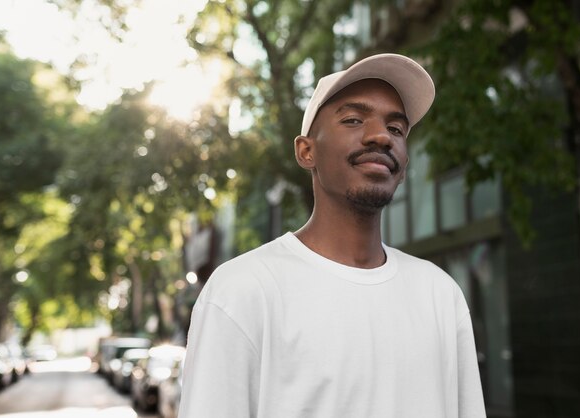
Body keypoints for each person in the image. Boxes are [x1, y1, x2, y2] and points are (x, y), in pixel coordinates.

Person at [178, 53, 486, 418]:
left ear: (403, 166)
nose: (380, 136)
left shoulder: (442, 295)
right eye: (354, 120)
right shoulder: (242, 291)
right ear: (306, 151)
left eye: (397, 129)